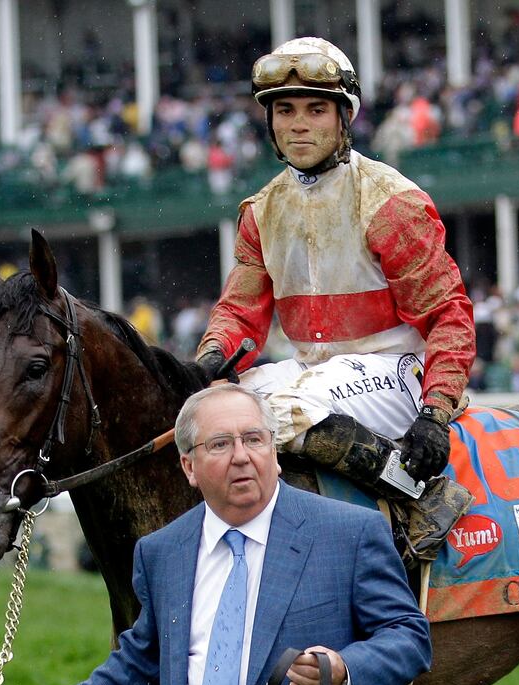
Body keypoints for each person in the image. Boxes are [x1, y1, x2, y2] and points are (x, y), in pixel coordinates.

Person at [0, 384, 431, 685]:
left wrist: (342, 669)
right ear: (188, 466)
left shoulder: (349, 533)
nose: (242, 456)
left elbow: (409, 638)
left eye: (254, 440)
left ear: (274, 454)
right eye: (220, 444)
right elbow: (139, 662)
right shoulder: (162, 551)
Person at [192, 37, 476, 564]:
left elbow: (449, 315)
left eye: (316, 109)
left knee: (276, 411)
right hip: (313, 371)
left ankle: (421, 496)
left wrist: (436, 411)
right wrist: (211, 357)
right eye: (285, 110)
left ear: (344, 118)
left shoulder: (392, 202)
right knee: (210, 412)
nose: (299, 124)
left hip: (398, 371)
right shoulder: (260, 210)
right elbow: (240, 312)